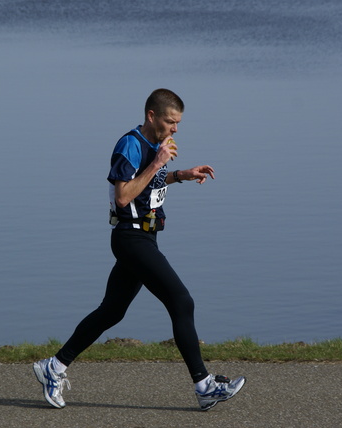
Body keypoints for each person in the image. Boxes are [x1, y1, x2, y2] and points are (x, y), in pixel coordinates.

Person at [33, 88, 245, 411]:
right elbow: (123, 196)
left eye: (178, 123)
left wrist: (180, 175)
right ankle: (203, 385)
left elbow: (151, 182)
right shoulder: (129, 145)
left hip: (146, 238)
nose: (175, 129)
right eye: (170, 122)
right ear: (151, 116)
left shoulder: (157, 144)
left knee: (112, 311)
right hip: (130, 238)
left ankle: (54, 367)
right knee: (181, 300)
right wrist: (159, 160)